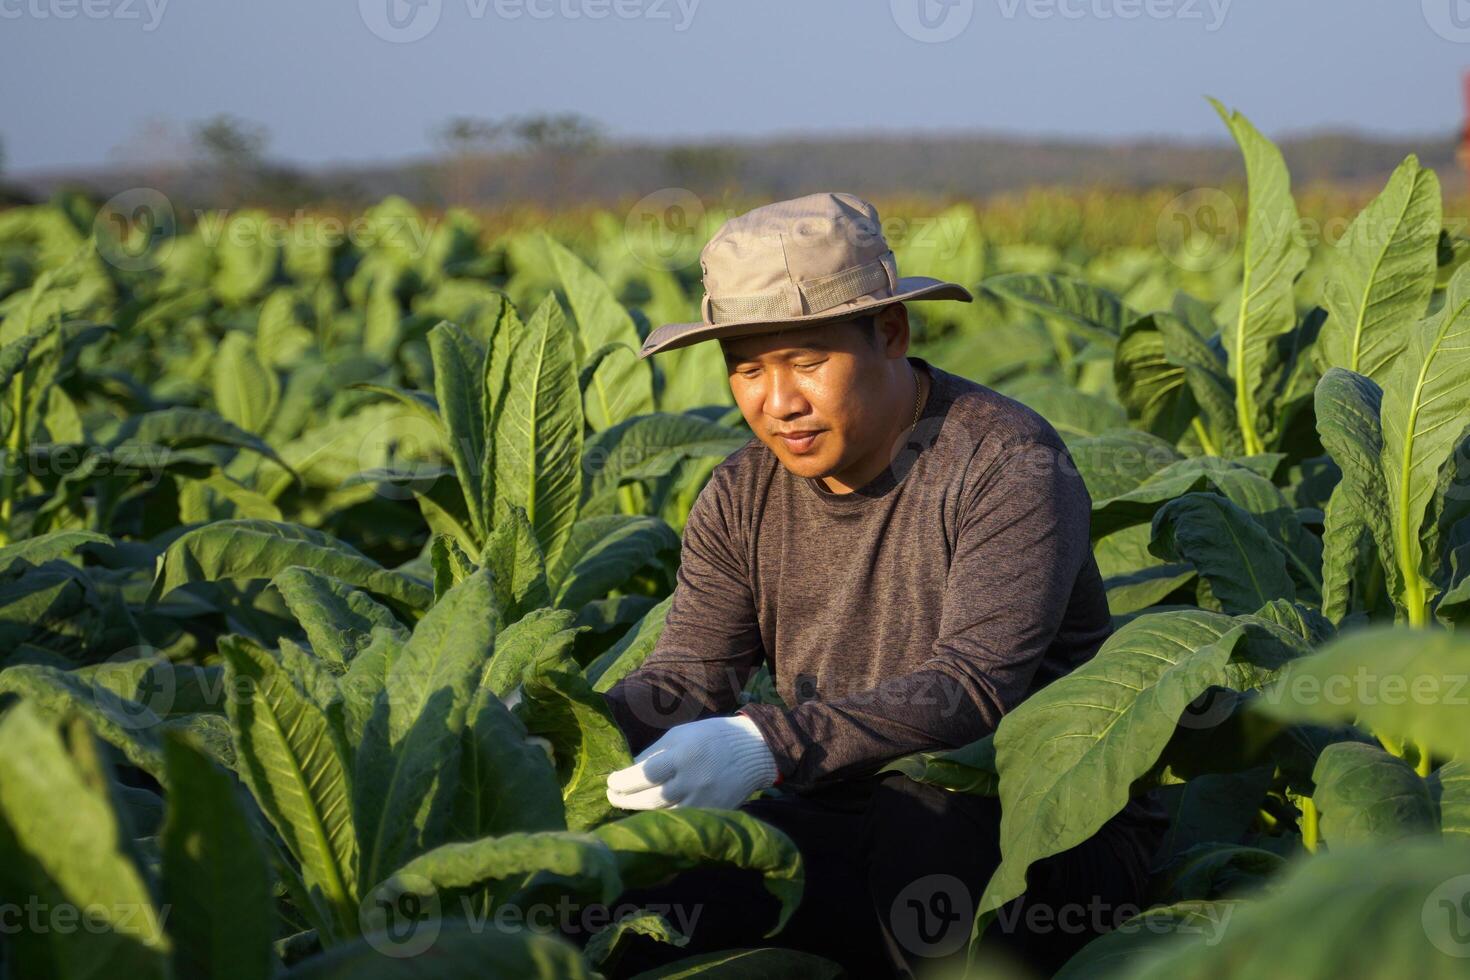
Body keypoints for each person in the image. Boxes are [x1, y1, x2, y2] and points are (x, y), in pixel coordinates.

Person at [591, 192, 1168, 979]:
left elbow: (972, 690)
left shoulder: (1006, 460)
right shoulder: (740, 493)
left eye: (807, 360)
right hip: (835, 808)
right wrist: (562, 734)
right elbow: (690, 676)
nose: (778, 402)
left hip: (1037, 830)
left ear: (891, 333)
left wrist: (765, 744)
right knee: (631, 888)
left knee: (923, 815)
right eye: (748, 369)